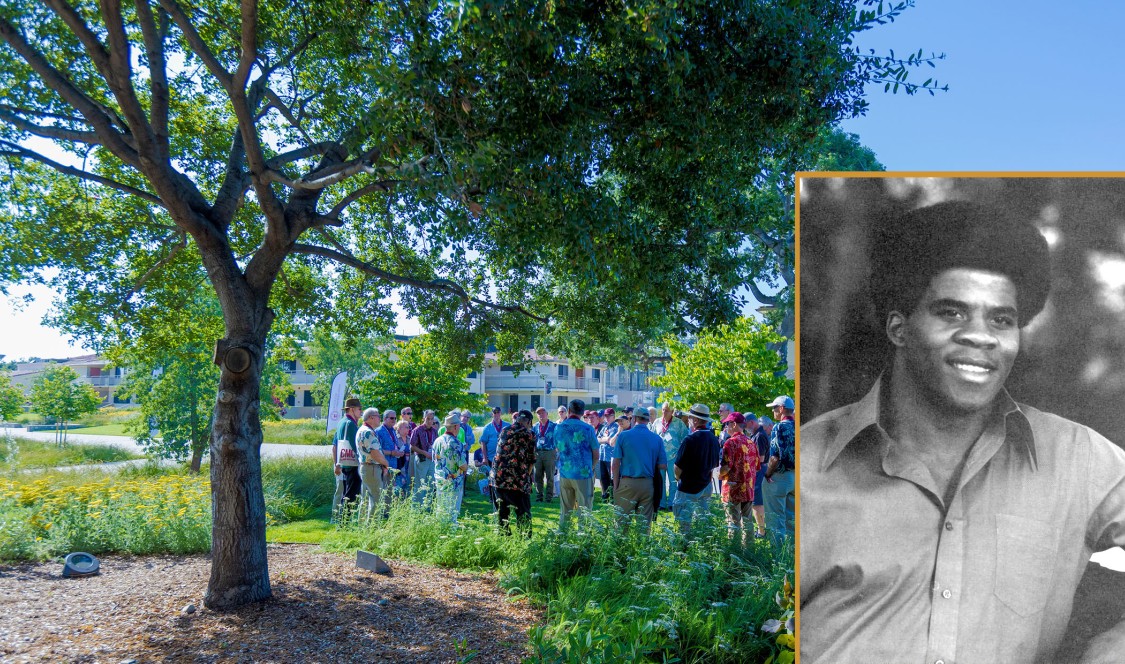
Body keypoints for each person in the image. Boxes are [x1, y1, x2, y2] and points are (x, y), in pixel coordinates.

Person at [799, 200, 1125, 663]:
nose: (981, 336)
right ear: (899, 328)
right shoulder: (805, 466)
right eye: (952, 313)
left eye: (1001, 319)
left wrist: (1112, 649)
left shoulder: (1077, 460)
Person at [610, 407, 665, 533]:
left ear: (633, 419)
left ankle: (621, 551)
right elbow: (663, 465)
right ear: (648, 420)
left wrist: (615, 485)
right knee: (644, 527)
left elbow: (616, 463)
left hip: (627, 483)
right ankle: (643, 550)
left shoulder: (624, 436)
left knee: (621, 525)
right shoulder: (657, 439)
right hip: (648, 484)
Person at [672, 405, 721, 533]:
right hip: (706, 485)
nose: (688, 420)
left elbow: (677, 467)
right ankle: (703, 545)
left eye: (690, 417)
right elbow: (714, 465)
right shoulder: (714, 439)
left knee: (683, 521)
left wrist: (677, 478)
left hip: (688, 487)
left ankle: (683, 548)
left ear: (696, 420)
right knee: (703, 522)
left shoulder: (690, 439)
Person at [554, 398, 598, 528]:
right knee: (584, 510)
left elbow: (557, 449)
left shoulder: (558, 428)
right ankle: (582, 540)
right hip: (583, 474)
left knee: (565, 511)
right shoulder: (588, 429)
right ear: (583, 412)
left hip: (565, 473)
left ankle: (563, 536)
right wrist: (591, 468)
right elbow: (596, 455)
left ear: (568, 410)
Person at [492, 409, 537, 536]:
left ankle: (503, 540)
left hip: (498, 479)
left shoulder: (505, 430)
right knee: (523, 513)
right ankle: (524, 541)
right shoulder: (529, 434)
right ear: (528, 422)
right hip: (517, 480)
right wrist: (527, 476)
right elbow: (532, 460)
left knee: (502, 514)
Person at [718, 411, 758, 547]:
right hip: (748, 489)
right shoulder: (751, 442)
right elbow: (757, 466)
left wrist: (718, 475)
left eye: (727, 424)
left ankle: (734, 552)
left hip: (733, 489)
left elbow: (726, 467)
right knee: (748, 522)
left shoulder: (730, 443)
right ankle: (749, 551)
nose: (725, 428)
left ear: (734, 424)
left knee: (733, 523)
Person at [763, 395, 795, 548]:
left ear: (781, 409)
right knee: (791, 520)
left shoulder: (779, 427)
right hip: (796, 478)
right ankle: (792, 554)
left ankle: (777, 557)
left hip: (779, 477)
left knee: (775, 520)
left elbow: (775, 457)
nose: (773, 411)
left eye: (775, 408)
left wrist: (768, 473)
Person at [651, 401, 689, 510]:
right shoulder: (657, 422)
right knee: (660, 481)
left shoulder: (679, 423)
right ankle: (662, 503)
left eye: (666, 410)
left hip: (674, 458)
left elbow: (685, 439)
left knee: (673, 481)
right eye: (663, 410)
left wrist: (681, 455)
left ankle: (672, 503)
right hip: (660, 458)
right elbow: (653, 438)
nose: (664, 412)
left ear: (672, 412)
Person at [431, 413, 467, 524]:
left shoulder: (437, 440)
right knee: (452, 511)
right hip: (453, 482)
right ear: (456, 426)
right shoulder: (456, 443)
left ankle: (440, 531)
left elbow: (434, 459)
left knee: (441, 508)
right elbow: (463, 465)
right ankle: (450, 533)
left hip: (440, 479)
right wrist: (466, 468)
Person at [356, 408, 391, 519]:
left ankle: (363, 527)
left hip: (366, 467)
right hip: (371, 468)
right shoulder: (368, 432)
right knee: (376, 499)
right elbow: (375, 453)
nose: (379, 418)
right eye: (378, 416)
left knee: (366, 499)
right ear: (371, 417)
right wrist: (386, 463)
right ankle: (373, 527)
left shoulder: (362, 429)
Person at [332, 397, 364, 515]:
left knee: (346, 494)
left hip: (344, 462)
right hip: (351, 463)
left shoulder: (342, 421)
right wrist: (363, 459)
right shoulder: (349, 423)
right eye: (359, 409)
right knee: (350, 495)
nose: (361, 412)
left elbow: (335, 444)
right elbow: (354, 444)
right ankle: (344, 522)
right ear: (352, 409)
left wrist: (337, 463)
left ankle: (343, 520)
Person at [408, 409, 439, 503]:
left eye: (432, 419)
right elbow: (412, 446)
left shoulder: (434, 431)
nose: (430, 421)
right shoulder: (417, 430)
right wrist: (425, 453)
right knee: (420, 483)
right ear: (423, 418)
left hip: (432, 460)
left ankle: (427, 506)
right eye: (428, 419)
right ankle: (417, 506)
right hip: (421, 459)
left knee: (431, 483)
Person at [531, 406, 557, 502]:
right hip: (538, 452)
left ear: (547, 414)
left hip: (549, 452)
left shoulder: (554, 426)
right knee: (538, 475)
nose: (541, 415)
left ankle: (549, 497)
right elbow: (533, 441)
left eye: (543, 413)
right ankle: (539, 496)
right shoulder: (535, 426)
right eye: (539, 413)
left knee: (550, 476)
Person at [596, 408, 618, 501]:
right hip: (602, 456)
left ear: (614, 416)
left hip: (611, 457)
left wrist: (604, 439)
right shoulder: (605, 427)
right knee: (603, 477)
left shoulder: (615, 427)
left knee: (611, 478)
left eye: (609, 416)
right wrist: (605, 439)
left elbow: (612, 441)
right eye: (606, 416)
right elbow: (598, 439)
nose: (607, 418)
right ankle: (605, 496)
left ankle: (613, 497)